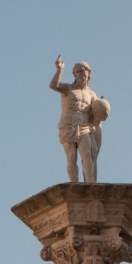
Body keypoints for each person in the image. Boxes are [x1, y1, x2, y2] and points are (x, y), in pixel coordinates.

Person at [50, 55, 98, 183]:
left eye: (82, 71)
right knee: (71, 157)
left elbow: (96, 113)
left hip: (84, 126)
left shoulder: (92, 95)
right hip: (68, 124)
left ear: (88, 73)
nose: (79, 74)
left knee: (87, 155)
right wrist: (59, 70)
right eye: (77, 71)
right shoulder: (68, 88)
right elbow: (53, 85)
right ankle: (74, 185)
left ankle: (90, 184)